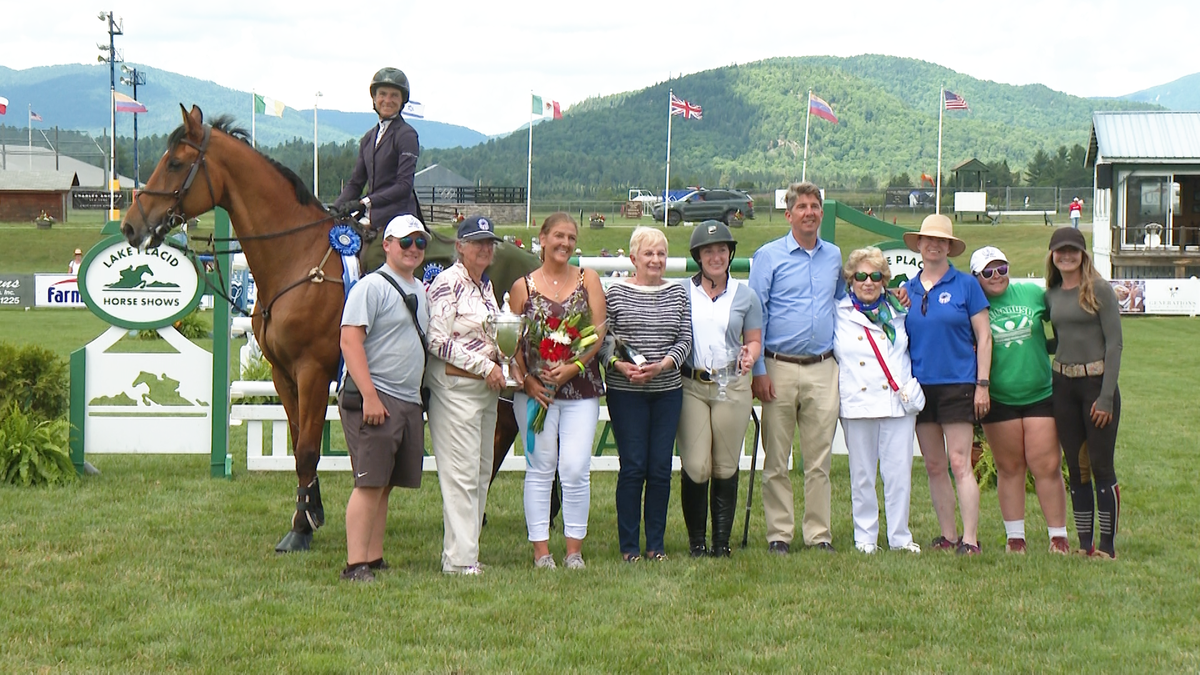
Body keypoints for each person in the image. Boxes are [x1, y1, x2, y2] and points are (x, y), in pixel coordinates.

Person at [748, 181, 844, 555]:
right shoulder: (769, 256)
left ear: (821, 212)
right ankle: (779, 534)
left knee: (819, 459)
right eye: (801, 207)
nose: (809, 212)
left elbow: (842, 302)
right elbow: (757, 314)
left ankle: (819, 534)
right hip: (778, 365)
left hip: (823, 367)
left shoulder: (834, 256)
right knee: (777, 458)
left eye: (814, 206)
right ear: (789, 214)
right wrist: (758, 370)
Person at [509, 213, 607, 570]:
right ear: (543, 238)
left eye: (571, 237)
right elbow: (513, 343)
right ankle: (541, 553)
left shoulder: (588, 279)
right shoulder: (523, 287)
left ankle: (574, 551)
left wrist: (574, 367)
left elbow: (598, 330)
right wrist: (526, 380)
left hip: (580, 388)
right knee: (540, 467)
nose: (565, 243)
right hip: (537, 393)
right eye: (559, 236)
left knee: (576, 467)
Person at [337, 215, 430, 582]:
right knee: (369, 482)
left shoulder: (420, 290)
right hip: (376, 396)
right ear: (387, 245)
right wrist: (371, 397)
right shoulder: (369, 287)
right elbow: (350, 341)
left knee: (384, 482)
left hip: (406, 399)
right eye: (405, 242)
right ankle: (355, 563)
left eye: (419, 243)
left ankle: (373, 557)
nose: (413, 249)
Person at [970, 246, 1070, 555]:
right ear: (976, 277)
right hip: (998, 397)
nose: (996, 276)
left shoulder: (1030, 293)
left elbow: (1064, 321)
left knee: (1047, 465)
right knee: (1009, 467)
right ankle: (1015, 538)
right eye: (987, 272)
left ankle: (1058, 537)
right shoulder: (972, 304)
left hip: (1040, 393)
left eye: (1001, 268)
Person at [903, 214, 992, 556]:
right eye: (928, 240)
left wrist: (982, 384)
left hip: (958, 383)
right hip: (920, 387)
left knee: (959, 462)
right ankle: (948, 535)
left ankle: (970, 539)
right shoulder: (907, 289)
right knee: (934, 465)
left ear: (949, 247)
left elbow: (984, 337)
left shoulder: (966, 285)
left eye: (942, 241)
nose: (934, 245)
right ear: (920, 246)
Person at [603, 226, 691, 562]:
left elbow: (685, 339)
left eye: (661, 254)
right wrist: (617, 365)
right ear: (633, 258)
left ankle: (656, 544)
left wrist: (665, 365)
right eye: (648, 254)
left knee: (659, 468)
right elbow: (604, 339)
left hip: (667, 391)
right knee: (633, 467)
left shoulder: (678, 294)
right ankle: (629, 547)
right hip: (627, 393)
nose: (655, 260)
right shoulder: (616, 293)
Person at [676, 221, 763, 558]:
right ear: (698, 256)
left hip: (732, 383)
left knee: (725, 465)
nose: (716, 256)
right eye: (709, 251)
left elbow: (754, 339)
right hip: (692, 383)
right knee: (697, 465)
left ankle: (721, 542)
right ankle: (696, 540)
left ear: (730, 254)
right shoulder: (682, 291)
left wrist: (749, 355)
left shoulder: (746, 296)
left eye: (722, 251)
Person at [426, 215, 506, 575]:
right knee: (460, 474)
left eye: (489, 243)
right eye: (477, 243)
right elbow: (437, 341)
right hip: (455, 389)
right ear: (459, 247)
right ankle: (460, 561)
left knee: (478, 472)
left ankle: (464, 553)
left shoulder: (485, 287)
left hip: (483, 390)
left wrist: (502, 360)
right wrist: (484, 365)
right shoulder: (447, 283)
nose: (485, 249)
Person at [832, 247, 921, 555]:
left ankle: (899, 536)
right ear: (850, 279)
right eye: (860, 276)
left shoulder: (900, 309)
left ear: (885, 280)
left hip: (897, 402)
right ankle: (865, 537)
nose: (867, 283)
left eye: (874, 276)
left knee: (898, 475)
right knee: (862, 474)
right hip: (858, 401)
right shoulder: (838, 312)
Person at [1044, 227, 1123, 559]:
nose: (1066, 256)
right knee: (1076, 468)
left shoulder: (1100, 290)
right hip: (1063, 386)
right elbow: (1058, 341)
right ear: (1052, 256)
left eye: (1072, 250)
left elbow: (1115, 345)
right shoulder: (1051, 294)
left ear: (1083, 254)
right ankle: (1084, 544)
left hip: (1096, 385)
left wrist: (1105, 397)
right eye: (1060, 251)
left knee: (1101, 466)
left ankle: (1107, 546)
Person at [332, 67, 421, 273]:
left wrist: (364, 202)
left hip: (397, 216)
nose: (387, 100)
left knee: (372, 258)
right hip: (371, 214)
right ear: (374, 98)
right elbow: (356, 182)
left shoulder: (406, 135)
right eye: (382, 94)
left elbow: (403, 186)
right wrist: (334, 209)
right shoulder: (368, 138)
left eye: (394, 96)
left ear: (402, 101)